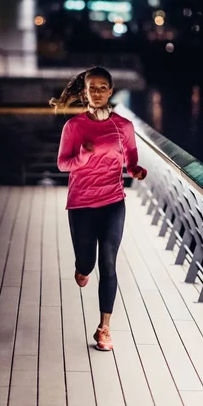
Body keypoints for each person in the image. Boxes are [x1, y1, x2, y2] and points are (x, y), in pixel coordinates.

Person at [50, 66, 147, 351]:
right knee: (88, 263)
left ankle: (104, 328)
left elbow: (131, 160)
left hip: (113, 202)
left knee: (108, 263)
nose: (98, 91)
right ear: (85, 92)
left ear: (110, 91)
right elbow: (62, 164)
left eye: (103, 87)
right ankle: (81, 268)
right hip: (81, 203)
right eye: (92, 87)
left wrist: (137, 171)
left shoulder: (123, 126)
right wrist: (82, 154)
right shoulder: (75, 127)